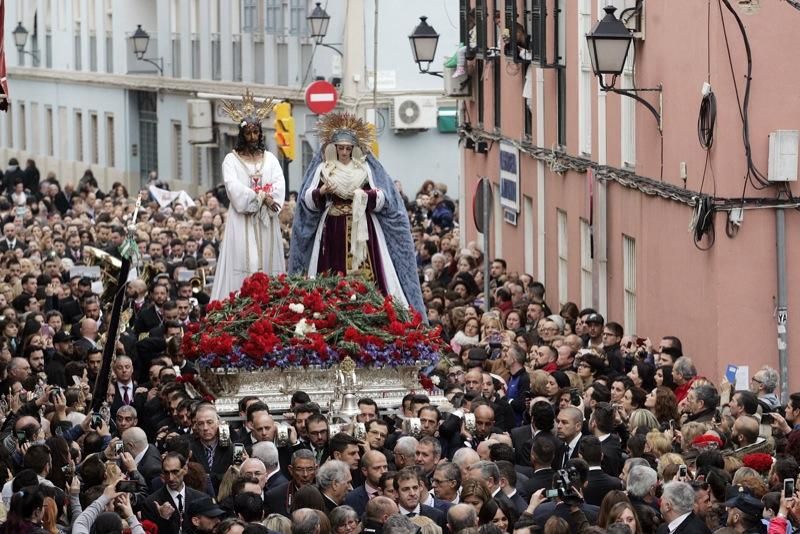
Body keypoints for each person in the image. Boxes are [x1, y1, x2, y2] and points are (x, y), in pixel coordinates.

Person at [288, 112, 424, 316]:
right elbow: (307, 200)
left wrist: (362, 195)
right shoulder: (324, 169)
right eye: (340, 148)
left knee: (366, 270)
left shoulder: (365, 169)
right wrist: (322, 192)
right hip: (331, 226)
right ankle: (329, 307)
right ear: (334, 148)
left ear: (354, 149)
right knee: (330, 269)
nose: (344, 152)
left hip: (363, 227)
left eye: (348, 148)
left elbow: (383, 198)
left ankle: (370, 305)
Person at [211, 90, 285, 301]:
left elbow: (279, 184)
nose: (253, 137)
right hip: (242, 222)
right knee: (247, 261)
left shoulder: (270, 159)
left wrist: (271, 198)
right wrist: (260, 197)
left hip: (266, 223)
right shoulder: (231, 160)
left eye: (256, 132)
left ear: (261, 134)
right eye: (249, 133)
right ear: (242, 135)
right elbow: (234, 189)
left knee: (267, 261)